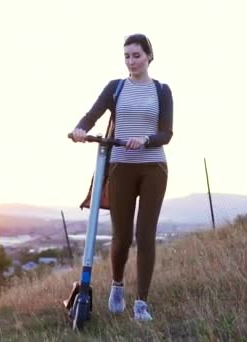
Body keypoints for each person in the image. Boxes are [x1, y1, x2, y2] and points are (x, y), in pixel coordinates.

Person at [70, 33, 173, 320]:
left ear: (149, 56)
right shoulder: (115, 88)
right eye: (127, 56)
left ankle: (141, 302)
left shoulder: (161, 91)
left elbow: (167, 133)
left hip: (153, 167)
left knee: (145, 235)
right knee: (122, 236)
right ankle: (117, 285)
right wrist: (80, 128)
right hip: (120, 166)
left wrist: (146, 139)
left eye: (136, 55)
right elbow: (92, 115)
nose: (131, 61)